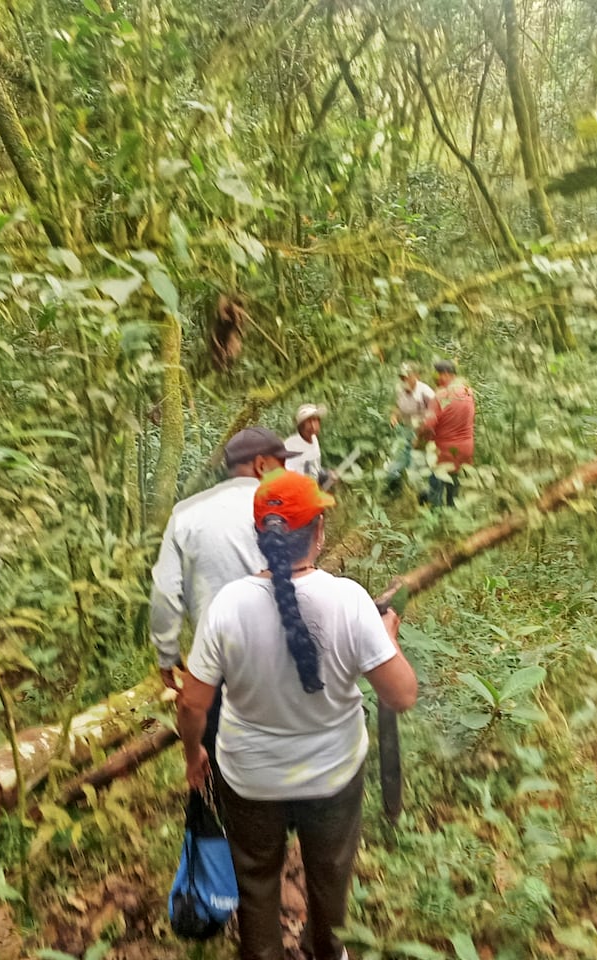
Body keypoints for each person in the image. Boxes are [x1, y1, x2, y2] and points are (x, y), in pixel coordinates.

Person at [178, 470, 418, 960]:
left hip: (249, 780)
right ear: (320, 532)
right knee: (330, 877)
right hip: (332, 777)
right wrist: (386, 636)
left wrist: (192, 754)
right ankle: (328, 950)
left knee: (256, 878)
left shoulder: (227, 607)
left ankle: (262, 952)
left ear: (259, 537)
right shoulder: (350, 602)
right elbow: (401, 695)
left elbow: (191, 703)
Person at [149, 427, 298, 693]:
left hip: (214, 667)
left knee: (219, 734)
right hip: (280, 663)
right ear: (261, 465)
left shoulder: (185, 513)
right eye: (282, 464)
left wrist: (167, 655)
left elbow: (165, 591)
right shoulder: (284, 510)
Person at [418, 359, 475, 507]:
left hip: (443, 451)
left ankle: (435, 520)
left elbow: (428, 425)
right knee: (454, 488)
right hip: (465, 450)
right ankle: (452, 519)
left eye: (437, 375)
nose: (435, 379)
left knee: (435, 490)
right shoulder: (468, 392)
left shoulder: (440, 396)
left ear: (444, 374)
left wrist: (419, 438)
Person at [386, 363, 435, 492]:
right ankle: (394, 489)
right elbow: (397, 407)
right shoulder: (400, 390)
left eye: (407, 377)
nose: (404, 380)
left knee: (418, 463)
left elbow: (435, 413)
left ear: (415, 376)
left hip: (423, 431)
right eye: (402, 378)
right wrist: (394, 416)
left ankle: (422, 495)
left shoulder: (426, 392)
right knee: (398, 458)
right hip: (405, 429)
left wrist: (422, 435)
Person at [284, 403, 326, 481]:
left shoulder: (314, 440)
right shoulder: (291, 445)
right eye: (309, 422)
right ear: (301, 426)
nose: (313, 426)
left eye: (315, 420)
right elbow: (289, 474)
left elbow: (315, 469)